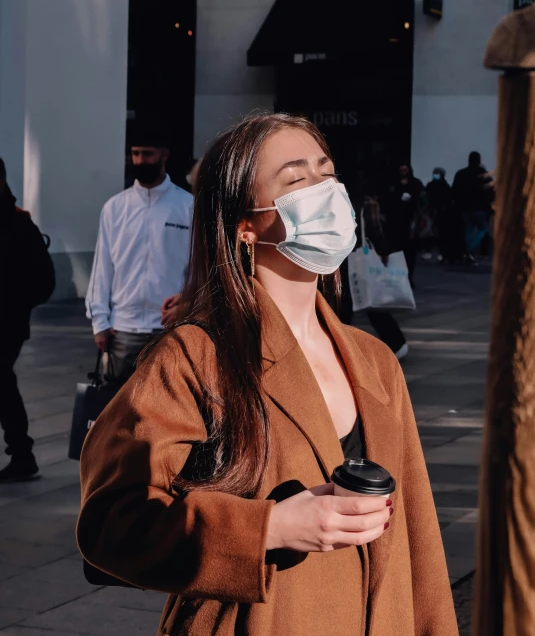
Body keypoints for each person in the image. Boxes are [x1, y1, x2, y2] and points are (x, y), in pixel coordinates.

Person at [77, 114, 456, 635]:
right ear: (244, 223)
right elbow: (110, 526)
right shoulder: (194, 356)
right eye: (298, 180)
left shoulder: (375, 361)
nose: (326, 192)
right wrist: (270, 528)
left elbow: (419, 542)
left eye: (328, 173)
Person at [86, 128, 193, 386]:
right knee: (120, 416)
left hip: (169, 329)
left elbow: (198, 267)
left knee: (168, 410)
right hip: (123, 330)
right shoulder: (115, 208)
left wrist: (187, 306)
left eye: (147, 154)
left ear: (164, 155)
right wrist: (100, 322)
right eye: (135, 154)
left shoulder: (187, 206)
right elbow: (102, 268)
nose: (140, 160)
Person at [0, 158, 55, 482]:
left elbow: (44, 280)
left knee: (2, 381)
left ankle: (22, 453)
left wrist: (14, 305)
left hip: (7, 325)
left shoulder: (21, 224)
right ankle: (22, 453)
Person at [340, 186, 409, 360]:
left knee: (344, 303)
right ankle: (397, 343)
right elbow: (374, 230)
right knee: (372, 302)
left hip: (341, 257)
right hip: (361, 257)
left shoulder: (335, 198)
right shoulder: (367, 202)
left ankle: (336, 343)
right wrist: (384, 250)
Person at [384, 163, 424, 287]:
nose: (403, 172)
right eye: (401, 170)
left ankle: (409, 276)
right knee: (396, 250)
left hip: (410, 222)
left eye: (405, 169)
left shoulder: (415, 183)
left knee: (410, 252)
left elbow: (420, 201)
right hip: (395, 222)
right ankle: (398, 276)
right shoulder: (393, 184)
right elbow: (388, 200)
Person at [452, 152, 493, 264]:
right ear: (479, 161)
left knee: (468, 230)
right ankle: (467, 249)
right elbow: (491, 191)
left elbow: (455, 191)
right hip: (480, 207)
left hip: (464, 207)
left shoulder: (461, 174)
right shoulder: (485, 175)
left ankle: (465, 250)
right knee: (483, 229)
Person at [425, 167, 453, 261]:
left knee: (440, 233)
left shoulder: (445, 186)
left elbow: (448, 199)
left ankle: (440, 252)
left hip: (442, 212)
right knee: (429, 232)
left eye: (437, 173)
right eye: (434, 173)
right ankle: (428, 251)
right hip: (431, 211)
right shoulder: (430, 185)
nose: (435, 175)